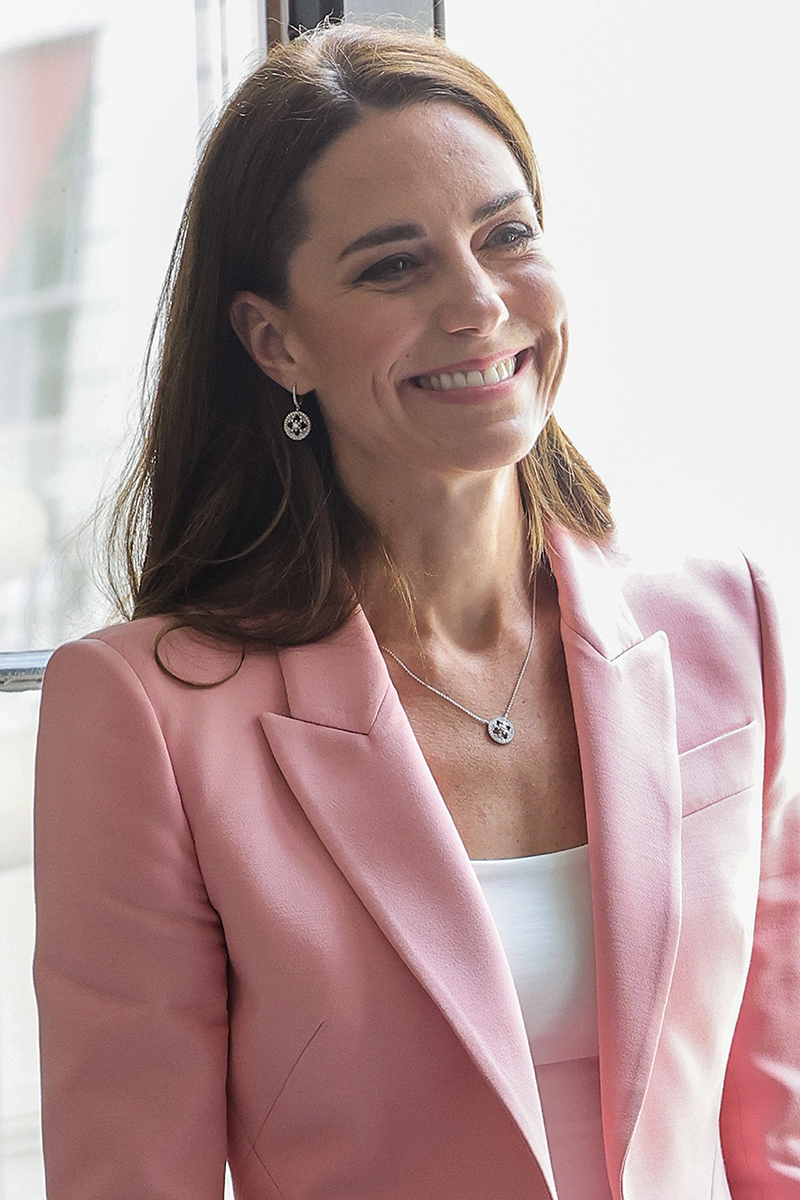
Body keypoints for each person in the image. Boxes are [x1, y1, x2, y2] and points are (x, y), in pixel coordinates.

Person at [33, 22, 799, 1200]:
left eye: (506, 235)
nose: (479, 303)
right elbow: (135, 1177)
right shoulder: (148, 714)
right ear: (273, 340)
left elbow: (770, 1141)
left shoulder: (722, 626)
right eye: (395, 265)